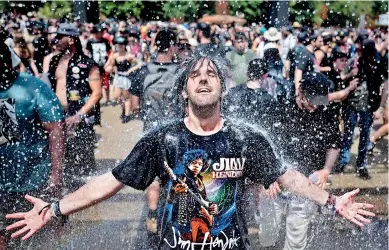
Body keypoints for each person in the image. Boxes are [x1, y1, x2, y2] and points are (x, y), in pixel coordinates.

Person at [6, 49, 375, 250]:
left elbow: (288, 177)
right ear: (184, 91)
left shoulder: (246, 139)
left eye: (211, 74)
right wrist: (55, 208)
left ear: (222, 90)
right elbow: (111, 181)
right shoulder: (162, 140)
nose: (203, 78)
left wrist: (331, 201)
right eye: (195, 75)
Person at [0, 32, 65, 250]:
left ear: (6, 62)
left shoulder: (33, 87)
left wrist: (56, 174)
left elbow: (56, 128)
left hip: (32, 180)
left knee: (35, 237)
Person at [48, 23, 102, 190]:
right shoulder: (55, 60)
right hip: (57, 119)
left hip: (80, 121)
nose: (55, 40)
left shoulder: (88, 63)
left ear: (70, 39)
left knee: (84, 163)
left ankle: (89, 201)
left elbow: (97, 93)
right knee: (60, 161)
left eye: (59, 37)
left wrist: (79, 114)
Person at [335, 39, 387, 179]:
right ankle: (343, 161)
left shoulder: (379, 63)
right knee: (348, 134)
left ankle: (361, 166)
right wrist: (351, 75)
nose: (368, 57)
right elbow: (341, 76)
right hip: (351, 104)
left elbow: (385, 86)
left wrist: (381, 107)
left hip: (369, 106)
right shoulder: (355, 61)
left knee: (365, 136)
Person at [104, 36, 143, 123]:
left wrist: (131, 70)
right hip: (118, 77)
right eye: (118, 44)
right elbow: (110, 65)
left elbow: (139, 63)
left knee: (126, 97)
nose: (119, 46)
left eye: (121, 44)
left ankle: (126, 115)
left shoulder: (128, 56)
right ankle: (124, 109)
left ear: (124, 45)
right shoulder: (115, 55)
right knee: (116, 97)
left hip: (126, 78)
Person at [86, 24, 111, 105]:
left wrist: (108, 63)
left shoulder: (105, 41)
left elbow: (111, 52)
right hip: (95, 67)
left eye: (101, 32)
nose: (100, 34)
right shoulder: (90, 42)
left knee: (106, 84)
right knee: (97, 83)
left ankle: (108, 99)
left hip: (104, 65)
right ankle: (98, 100)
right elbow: (87, 53)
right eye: (98, 32)